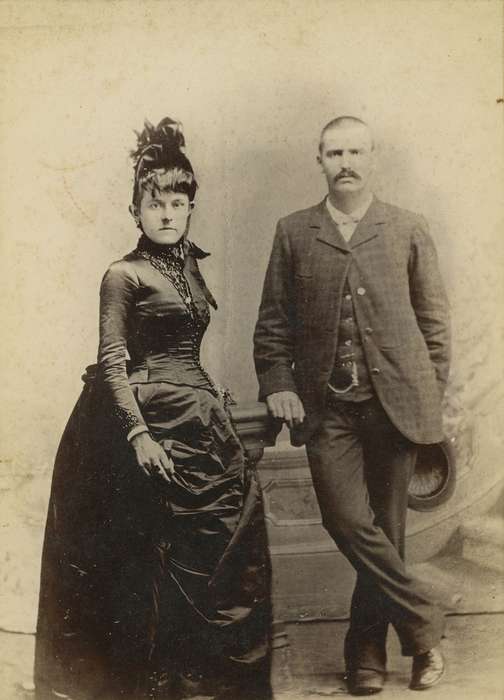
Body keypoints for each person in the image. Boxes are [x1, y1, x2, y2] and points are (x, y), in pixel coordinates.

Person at [35, 118, 272, 700]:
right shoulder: (123, 275)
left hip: (199, 422)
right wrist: (139, 435)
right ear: (135, 209)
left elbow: (185, 353)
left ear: (191, 208)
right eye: (154, 201)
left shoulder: (188, 267)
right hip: (141, 424)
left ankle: (203, 685)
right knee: (152, 562)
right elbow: (113, 363)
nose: (166, 212)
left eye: (177, 201)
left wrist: (213, 398)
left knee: (223, 546)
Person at [254, 116, 450, 695]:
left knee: (386, 533)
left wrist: (430, 401)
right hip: (327, 408)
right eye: (334, 152)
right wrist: (278, 384)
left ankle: (369, 658)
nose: (346, 162)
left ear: (374, 158)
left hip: (396, 407)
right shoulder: (293, 232)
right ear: (318, 160)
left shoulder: (408, 228)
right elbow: (272, 327)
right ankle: (426, 622)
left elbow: (435, 326)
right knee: (346, 520)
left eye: (356, 151)